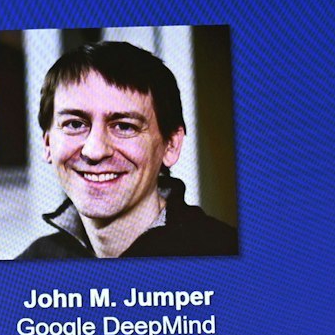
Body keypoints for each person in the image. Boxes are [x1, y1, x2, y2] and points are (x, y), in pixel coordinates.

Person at [16, 41, 237, 259]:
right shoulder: (32, 264)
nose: (94, 151)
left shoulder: (226, 254)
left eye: (124, 126)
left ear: (171, 145)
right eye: (75, 124)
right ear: (47, 144)